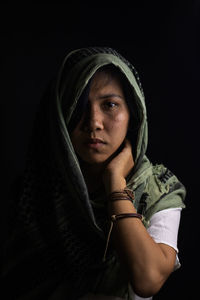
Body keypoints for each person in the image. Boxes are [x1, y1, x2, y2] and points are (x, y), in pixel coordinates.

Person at [2, 47, 186, 300]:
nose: (94, 122)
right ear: (61, 115)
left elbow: (148, 278)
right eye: (79, 105)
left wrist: (115, 184)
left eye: (110, 105)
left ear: (133, 113)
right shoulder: (33, 193)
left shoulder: (158, 189)